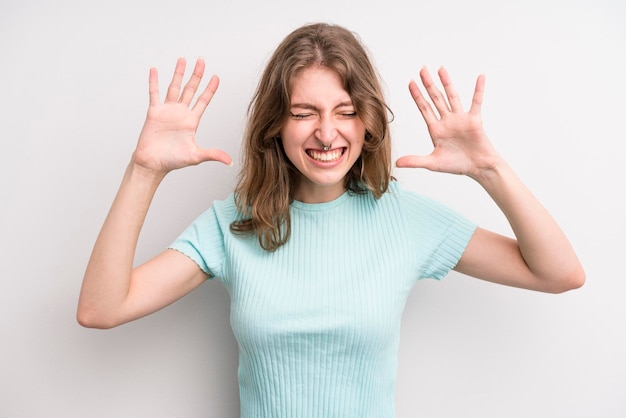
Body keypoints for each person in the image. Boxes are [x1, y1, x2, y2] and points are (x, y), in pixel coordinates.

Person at [77, 22, 584, 417]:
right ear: (275, 124)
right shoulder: (233, 224)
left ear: (366, 122)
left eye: (344, 111)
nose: (326, 133)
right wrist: (143, 171)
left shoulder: (404, 218)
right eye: (303, 113)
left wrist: (489, 169)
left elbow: (558, 273)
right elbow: (101, 308)